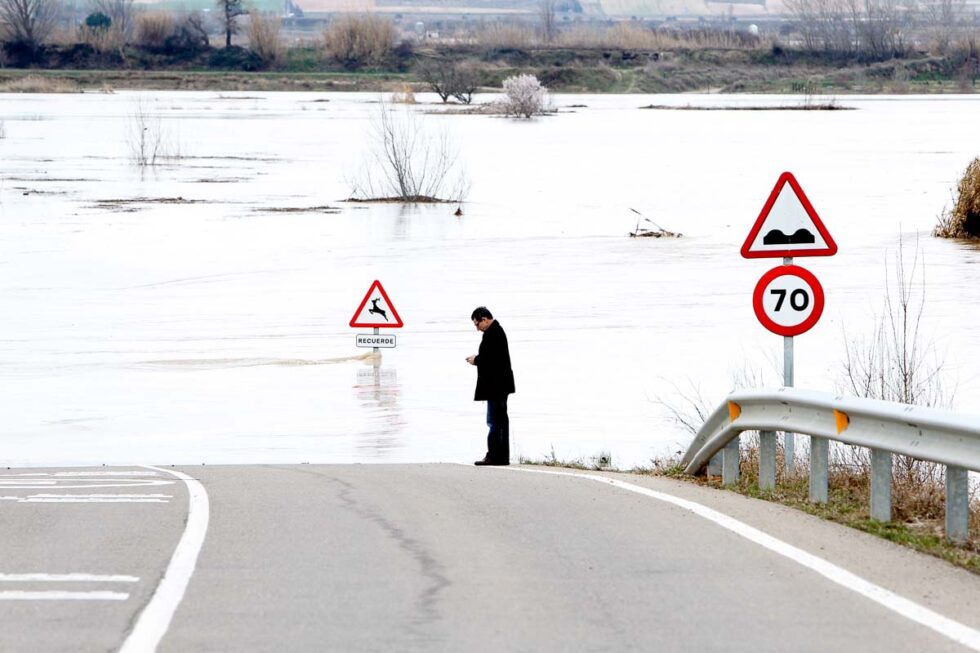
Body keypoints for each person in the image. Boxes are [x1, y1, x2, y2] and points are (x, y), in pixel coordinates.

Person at [465, 307, 515, 466]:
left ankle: (495, 456)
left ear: (484, 319)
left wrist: (476, 360)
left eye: (477, 324)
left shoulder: (494, 333)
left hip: (497, 386)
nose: (477, 328)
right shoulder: (495, 332)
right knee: (499, 420)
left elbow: (491, 359)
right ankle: (501, 456)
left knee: (495, 420)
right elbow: (493, 358)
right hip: (499, 385)